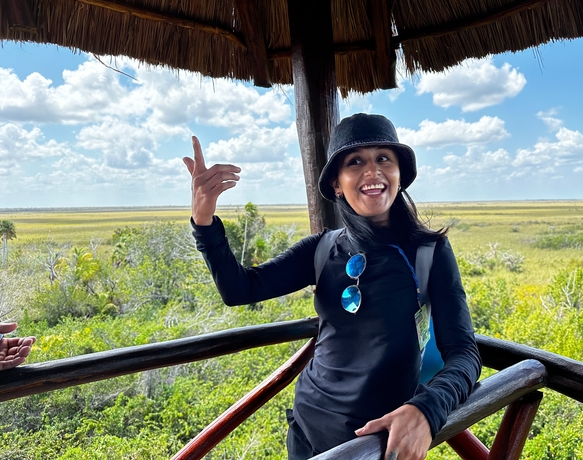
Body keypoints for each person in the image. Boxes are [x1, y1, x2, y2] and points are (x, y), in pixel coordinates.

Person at [184, 113, 482, 460]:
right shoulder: (322, 249)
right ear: (338, 184)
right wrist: (203, 222)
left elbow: (464, 353)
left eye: (384, 158)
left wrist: (426, 409)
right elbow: (241, 290)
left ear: (400, 175)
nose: (372, 172)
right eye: (355, 162)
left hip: (375, 444)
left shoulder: (429, 252)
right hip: (308, 429)